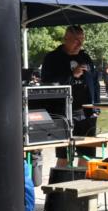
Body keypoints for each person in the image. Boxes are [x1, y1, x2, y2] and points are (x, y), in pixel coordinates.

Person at [40, 25, 101, 167]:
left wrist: (96, 106)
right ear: (65, 39)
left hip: (87, 112)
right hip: (63, 114)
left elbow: (95, 82)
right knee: (64, 156)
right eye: (75, 40)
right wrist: (72, 76)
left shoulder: (85, 57)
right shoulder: (52, 58)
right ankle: (58, 188)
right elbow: (47, 83)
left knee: (87, 155)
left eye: (82, 40)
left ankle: (82, 186)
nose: (79, 44)